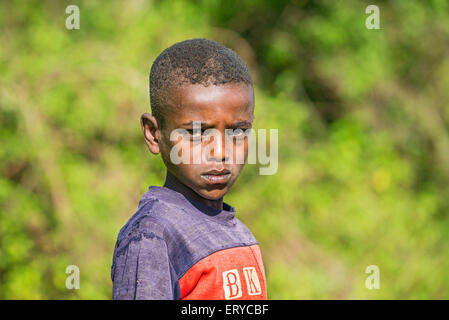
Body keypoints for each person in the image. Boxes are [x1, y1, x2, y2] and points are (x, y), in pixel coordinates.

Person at [111, 38, 267, 300]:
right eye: (197, 132)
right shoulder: (153, 236)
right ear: (153, 133)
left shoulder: (238, 233)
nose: (220, 152)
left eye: (238, 131)